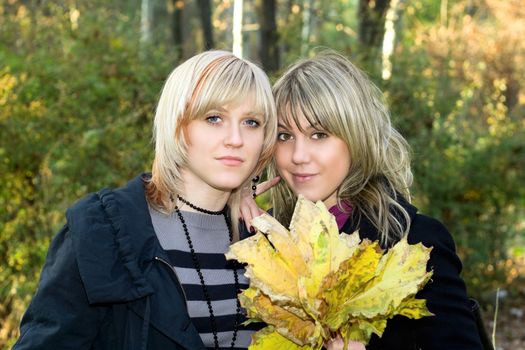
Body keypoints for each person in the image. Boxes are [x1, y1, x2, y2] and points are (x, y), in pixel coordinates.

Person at [14, 50, 277, 350]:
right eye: (214, 118)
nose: (235, 138)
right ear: (177, 125)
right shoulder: (102, 231)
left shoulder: (272, 244)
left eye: (251, 122)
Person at [241, 51, 484, 349]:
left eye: (319, 135)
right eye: (284, 136)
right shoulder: (270, 244)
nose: (298, 156)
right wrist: (231, 209)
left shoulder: (413, 244)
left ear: (355, 137)